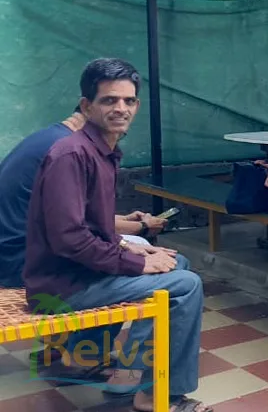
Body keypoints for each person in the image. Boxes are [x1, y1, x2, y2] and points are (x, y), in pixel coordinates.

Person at [23, 58, 208, 412]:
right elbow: (69, 238)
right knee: (185, 285)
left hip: (81, 272)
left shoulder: (102, 152)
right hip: (63, 286)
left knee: (177, 261)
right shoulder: (71, 154)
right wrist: (137, 262)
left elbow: (94, 228)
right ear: (86, 106)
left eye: (128, 100)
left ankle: (131, 371)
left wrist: (141, 253)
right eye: (109, 100)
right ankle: (159, 395)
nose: (120, 108)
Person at [0, 108, 166, 288]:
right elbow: (72, 228)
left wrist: (122, 221)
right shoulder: (69, 151)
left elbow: (70, 214)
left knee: (140, 251)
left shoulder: (49, 137)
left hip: (11, 253)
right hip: (23, 263)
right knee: (145, 253)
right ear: (90, 111)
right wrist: (142, 227)